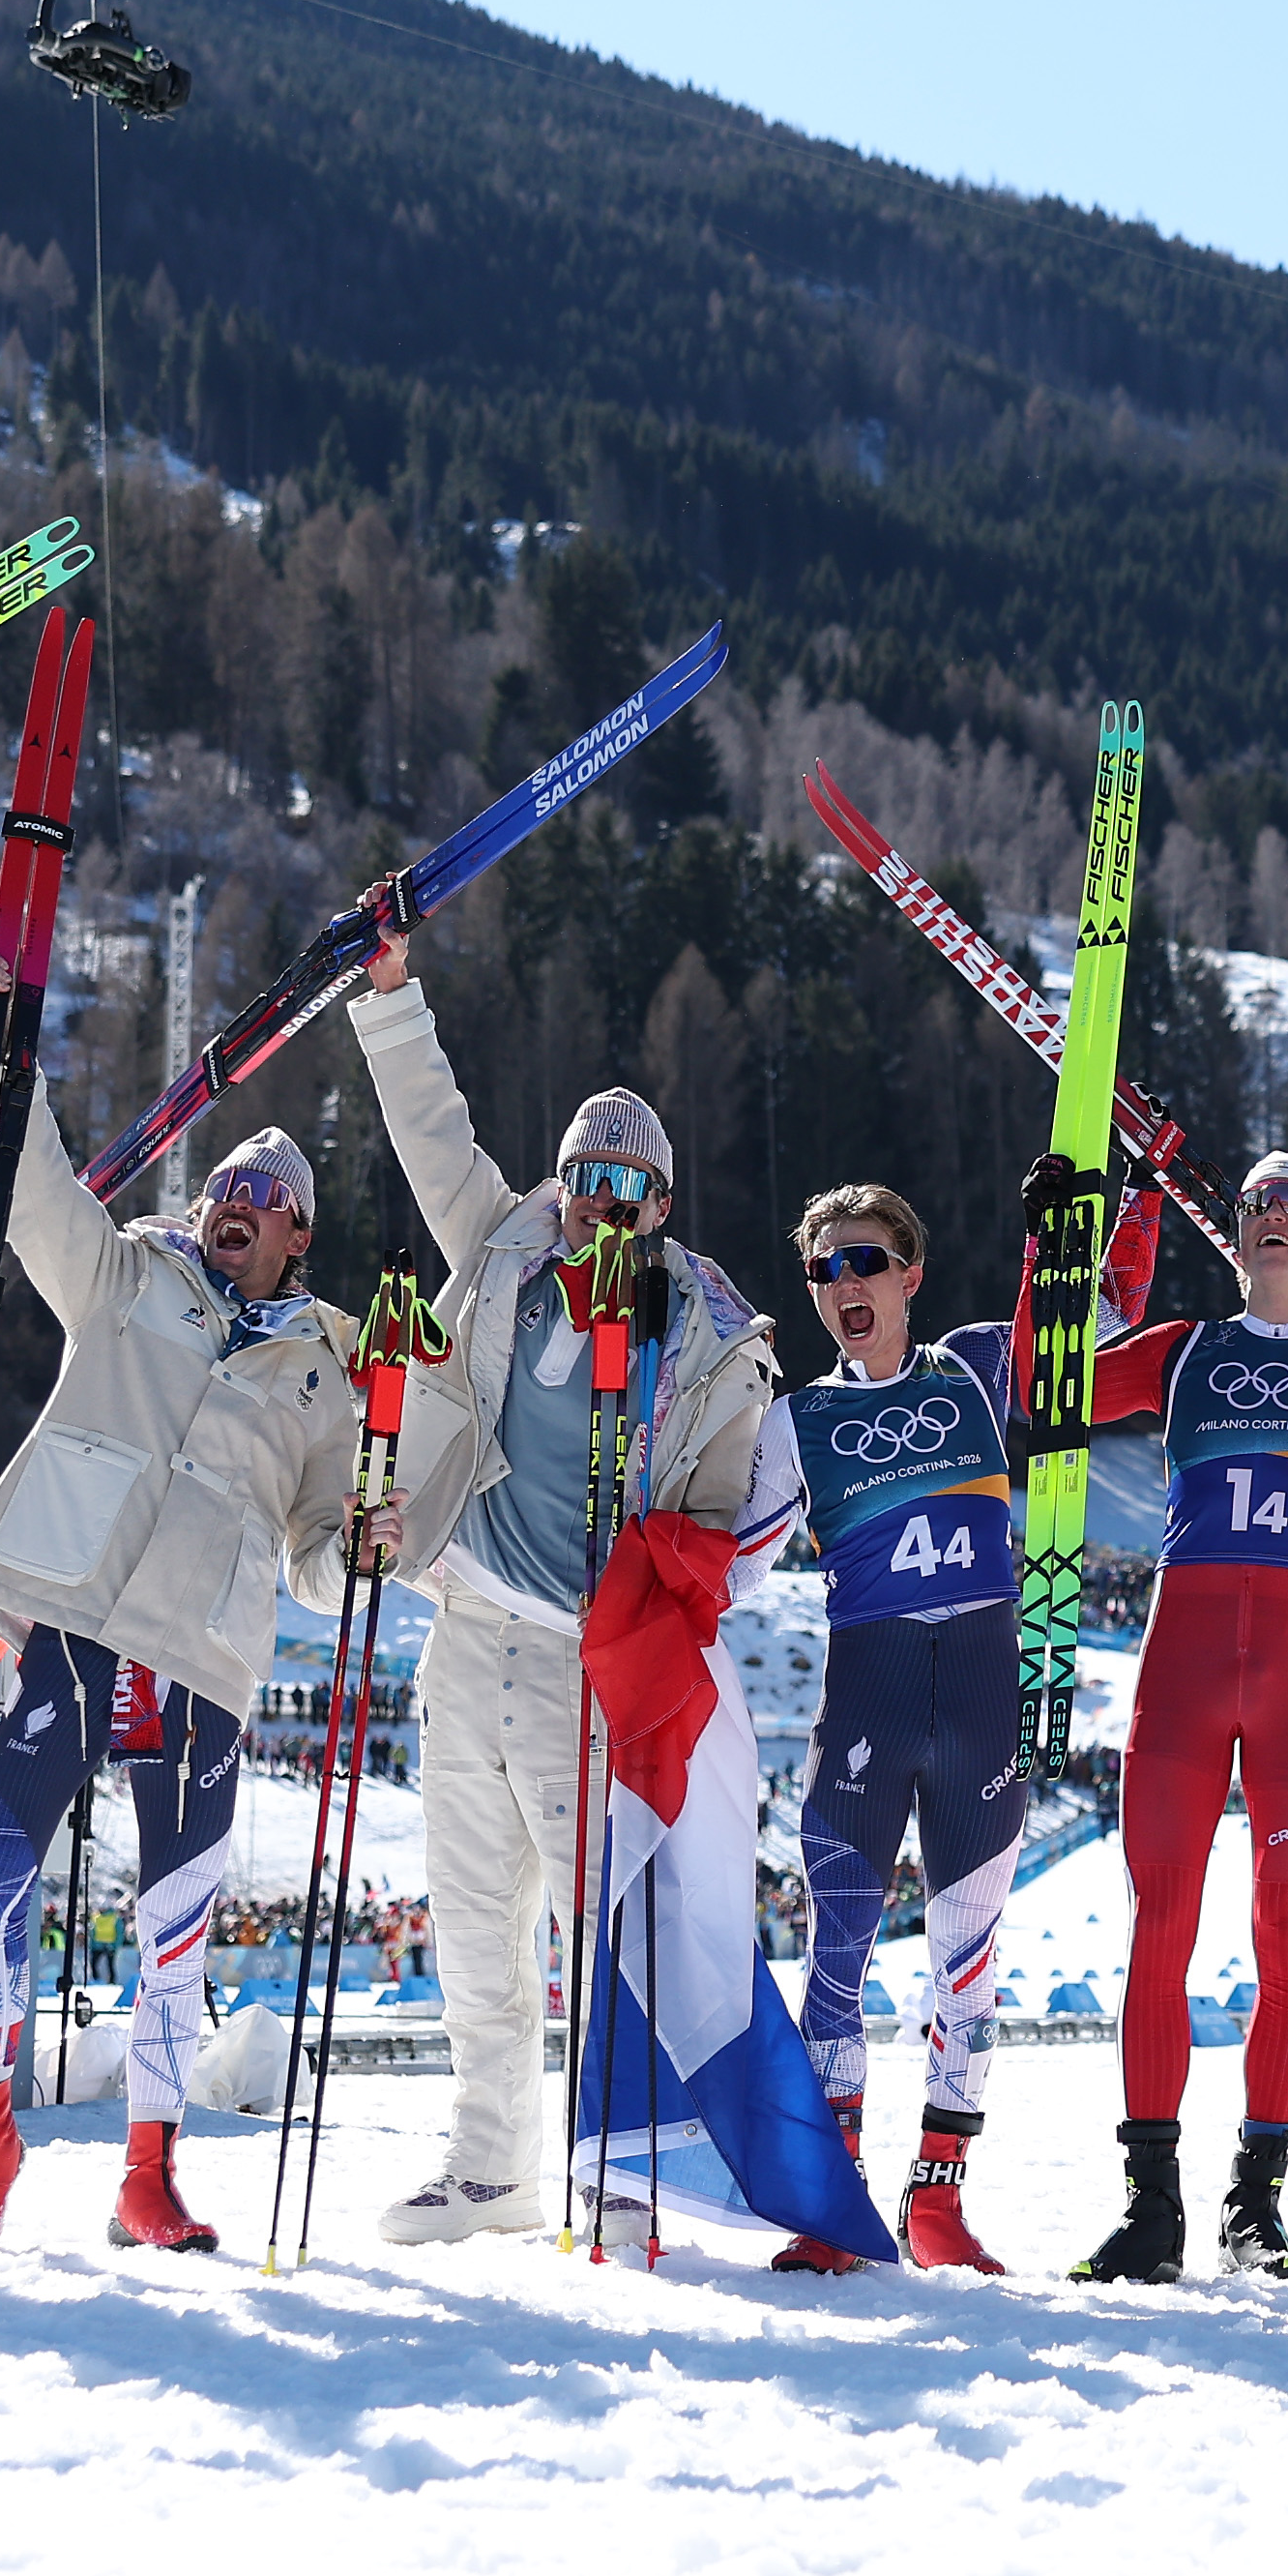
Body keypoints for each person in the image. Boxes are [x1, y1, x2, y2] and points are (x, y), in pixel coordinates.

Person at [342, 928, 783, 2246]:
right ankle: (491, 2168)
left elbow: (716, 1513)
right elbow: (431, 1128)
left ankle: (618, 2166)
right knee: (473, 1919)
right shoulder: (500, 1245)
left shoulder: (699, 1327)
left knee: (601, 1923)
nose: (602, 1198)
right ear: (561, 1178)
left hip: (583, 1656)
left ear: (661, 1202)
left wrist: (664, 1604)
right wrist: (389, 996)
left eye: (629, 1184)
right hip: (465, 1619)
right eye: (586, 1173)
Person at [0, 987, 374, 2261]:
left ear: (299, 1232)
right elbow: (33, 1190)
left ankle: (149, 2172)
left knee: (174, 1919)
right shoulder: (126, 1276)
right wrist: (6, 1045)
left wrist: (365, 1546)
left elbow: (321, 1556)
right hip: (76, 1621)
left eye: (269, 1190)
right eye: (228, 1176)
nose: (241, 1194)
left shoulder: (322, 1370)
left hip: (204, 1656)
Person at [1071, 1147, 1288, 2285]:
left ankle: (1253, 2206)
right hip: (1178, 1669)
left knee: (1283, 1940)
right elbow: (1047, 1376)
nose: (1276, 1219)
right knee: (1156, 1932)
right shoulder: (1183, 1350)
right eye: (1258, 1202)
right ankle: (1149, 2204)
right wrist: (1094, 1241)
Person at [741, 1178, 1048, 2273]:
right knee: (838, 1953)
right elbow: (726, 1566)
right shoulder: (797, 1419)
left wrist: (1067, 1229)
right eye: (824, 1269)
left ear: (910, 1272)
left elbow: (1085, 1321)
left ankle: (939, 2200)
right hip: (864, 1692)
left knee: (967, 1963)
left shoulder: (973, 1365)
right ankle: (837, 2198)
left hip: (977, 1689)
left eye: (866, 1260)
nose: (845, 1285)